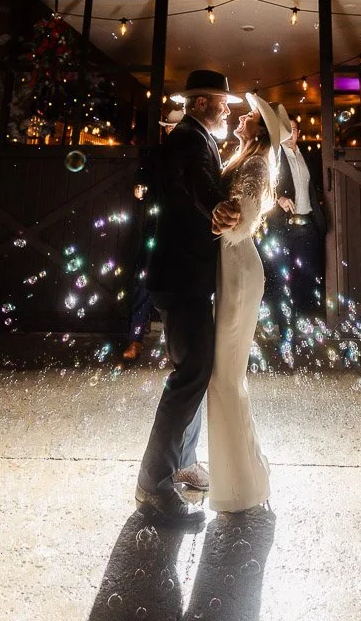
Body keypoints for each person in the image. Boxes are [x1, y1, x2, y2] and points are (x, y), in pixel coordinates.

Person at [135, 70, 241, 529]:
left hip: (184, 274)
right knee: (190, 374)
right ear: (200, 104)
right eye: (222, 103)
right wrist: (218, 207)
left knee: (197, 371)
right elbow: (198, 183)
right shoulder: (188, 143)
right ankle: (153, 486)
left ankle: (182, 463)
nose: (228, 110)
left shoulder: (194, 137)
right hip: (182, 277)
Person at [206, 92, 285, 515]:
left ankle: (240, 489)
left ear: (261, 131)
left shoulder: (256, 164)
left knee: (225, 379)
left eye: (250, 117)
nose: (241, 118)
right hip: (231, 268)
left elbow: (244, 216)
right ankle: (243, 478)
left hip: (238, 272)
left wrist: (225, 217)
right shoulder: (244, 156)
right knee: (225, 379)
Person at [261, 106, 327, 356]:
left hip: (307, 224)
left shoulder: (305, 155)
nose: (291, 134)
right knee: (283, 278)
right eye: (286, 130)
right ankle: (285, 330)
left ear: (298, 132)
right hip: (285, 226)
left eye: (294, 130)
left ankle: (299, 323)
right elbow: (267, 184)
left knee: (304, 278)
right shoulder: (275, 156)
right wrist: (277, 198)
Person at [122, 109, 184, 363]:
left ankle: (177, 345)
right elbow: (142, 177)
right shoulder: (155, 155)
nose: (172, 131)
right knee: (143, 283)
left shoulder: (194, 156)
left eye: (176, 127)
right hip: (156, 228)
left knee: (181, 288)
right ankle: (135, 339)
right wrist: (140, 186)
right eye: (169, 127)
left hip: (183, 230)